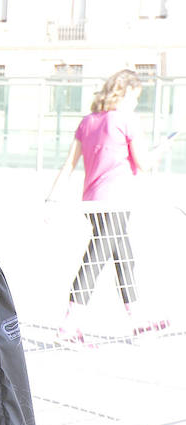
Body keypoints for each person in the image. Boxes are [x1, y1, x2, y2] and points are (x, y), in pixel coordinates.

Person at [46, 69, 164, 339]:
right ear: (124, 93)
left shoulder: (87, 122)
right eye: (134, 97)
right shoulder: (125, 121)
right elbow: (144, 163)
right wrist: (158, 153)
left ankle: (136, 318)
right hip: (116, 201)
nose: (135, 103)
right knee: (96, 257)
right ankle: (69, 323)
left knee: (124, 256)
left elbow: (69, 164)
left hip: (92, 202)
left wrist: (51, 199)